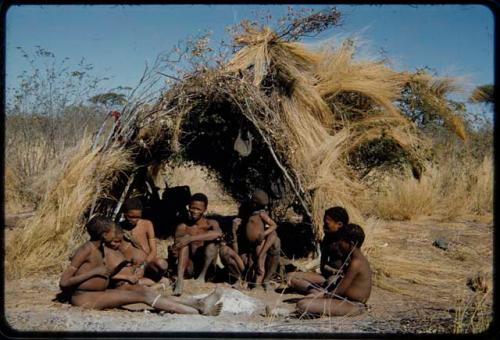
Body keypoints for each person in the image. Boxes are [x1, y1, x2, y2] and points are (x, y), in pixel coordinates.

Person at [58, 215, 223, 315]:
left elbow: (106, 272)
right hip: (86, 298)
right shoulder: (86, 250)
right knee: (142, 296)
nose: (115, 235)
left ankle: (197, 303)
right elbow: (64, 282)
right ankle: (197, 312)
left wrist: (125, 271)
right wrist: (94, 272)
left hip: (100, 291)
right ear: (103, 234)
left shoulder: (101, 248)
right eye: (111, 232)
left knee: (143, 290)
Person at [295, 223, 372, 317]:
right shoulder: (354, 258)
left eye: (341, 240)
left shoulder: (356, 263)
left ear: (351, 244)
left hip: (354, 305)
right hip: (344, 299)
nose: (339, 243)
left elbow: (339, 291)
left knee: (303, 305)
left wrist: (320, 297)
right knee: (307, 300)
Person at [221, 189, 281, 291]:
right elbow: (236, 248)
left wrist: (263, 234)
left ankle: (260, 283)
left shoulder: (262, 214)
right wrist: (234, 232)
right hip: (245, 249)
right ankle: (243, 280)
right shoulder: (246, 213)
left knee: (259, 262)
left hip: (259, 244)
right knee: (252, 262)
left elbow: (273, 227)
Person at [285, 206, 349, 295]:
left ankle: (317, 292)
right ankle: (314, 292)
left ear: (339, 224)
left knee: (331, 283)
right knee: (289, 276)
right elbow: (323, 266)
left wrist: (338, 273)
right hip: (327, 276)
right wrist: (332, 270)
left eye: (327, 224)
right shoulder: (327, 239)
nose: (323, 226)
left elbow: (350, 270)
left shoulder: (347, 242)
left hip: (339, 279)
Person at [172, 193, 223, 296]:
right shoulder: (183, 226)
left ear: (204, 209)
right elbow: (177, 247)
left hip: (207, 267)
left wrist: (191, 238)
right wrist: (174, 250)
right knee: (184, 243)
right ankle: (180, 280)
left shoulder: (211, 223)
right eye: (192, 208)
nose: (194, 211)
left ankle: (202, 277)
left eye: (198, 209)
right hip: (189, 268)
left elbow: (218, 233)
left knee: (212, 244)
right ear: (188, 207)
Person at [103, 223, 169, 290]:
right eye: (115, 241)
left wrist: (141, 267)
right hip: (123, 282)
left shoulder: (127, 243)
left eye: (120, 241)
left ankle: (155, 285)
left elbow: (149, 254)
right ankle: (153, 287)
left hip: (134, 277)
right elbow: (105, 274)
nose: (118, 244)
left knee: (163, 274)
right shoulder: (104, 252)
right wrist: (126, 277)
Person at [120, 197, 168, 281]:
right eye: (131, 217)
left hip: (146, 263)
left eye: (137, 217)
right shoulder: (118, 228)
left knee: (162, 263)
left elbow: (153, 251)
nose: (134, 220)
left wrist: (143, 266)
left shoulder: (147, 224)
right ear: (124, 214)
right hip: (130, 266)